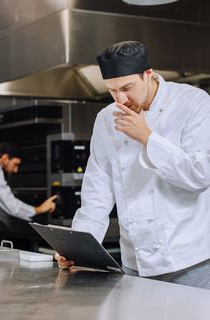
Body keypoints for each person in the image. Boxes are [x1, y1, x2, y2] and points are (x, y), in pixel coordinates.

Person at [55, 40, 210, 289]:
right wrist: (78, 247)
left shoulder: (193, 103)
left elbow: (199, 175)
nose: (121, 99)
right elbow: (97, 191)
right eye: (112, 90)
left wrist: (147, 137)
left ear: (148, 74)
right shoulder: (106, 119)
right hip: (135, 262)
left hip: (188, 259)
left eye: (127, 87)